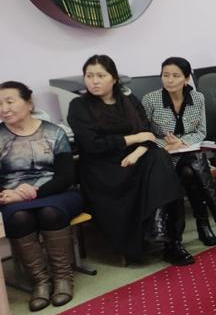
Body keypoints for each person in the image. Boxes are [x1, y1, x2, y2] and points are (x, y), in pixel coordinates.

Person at [67, 55, 191, 265]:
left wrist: (138, 151)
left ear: (114, 78)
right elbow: (93, 145)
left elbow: (148, 133)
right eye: (89, 76)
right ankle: (165, 236)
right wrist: (133, 139)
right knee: (161, 165)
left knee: (159, 159)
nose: (94, 81)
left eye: (101, 76)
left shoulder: (128, 100)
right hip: (104, 169)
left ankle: (168, 237)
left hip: (134, 160)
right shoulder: (79, 105)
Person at [0, 81, 84, 310]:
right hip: (12, 198)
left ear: (29, 103)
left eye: (10, 101)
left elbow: (66, 177)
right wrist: (9, 194)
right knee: (19, 218)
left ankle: (63, 278)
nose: (4, 108)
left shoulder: (54, 132)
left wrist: (31, 193)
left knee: (50, 212)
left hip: (58, 193)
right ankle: (41, 282)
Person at [142, 57, 216, 247]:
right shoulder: (150, 100)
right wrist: (166, 144)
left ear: (186, 78)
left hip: (187, 152)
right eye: (165, 75)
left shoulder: (197, 98)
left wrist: (182, 142)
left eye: (175, 76)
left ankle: (200, 225)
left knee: (190, 170)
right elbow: (144, 133)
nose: (169, 80)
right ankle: (212, 216)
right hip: (163, 156)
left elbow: (201, 131)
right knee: (193, 168)